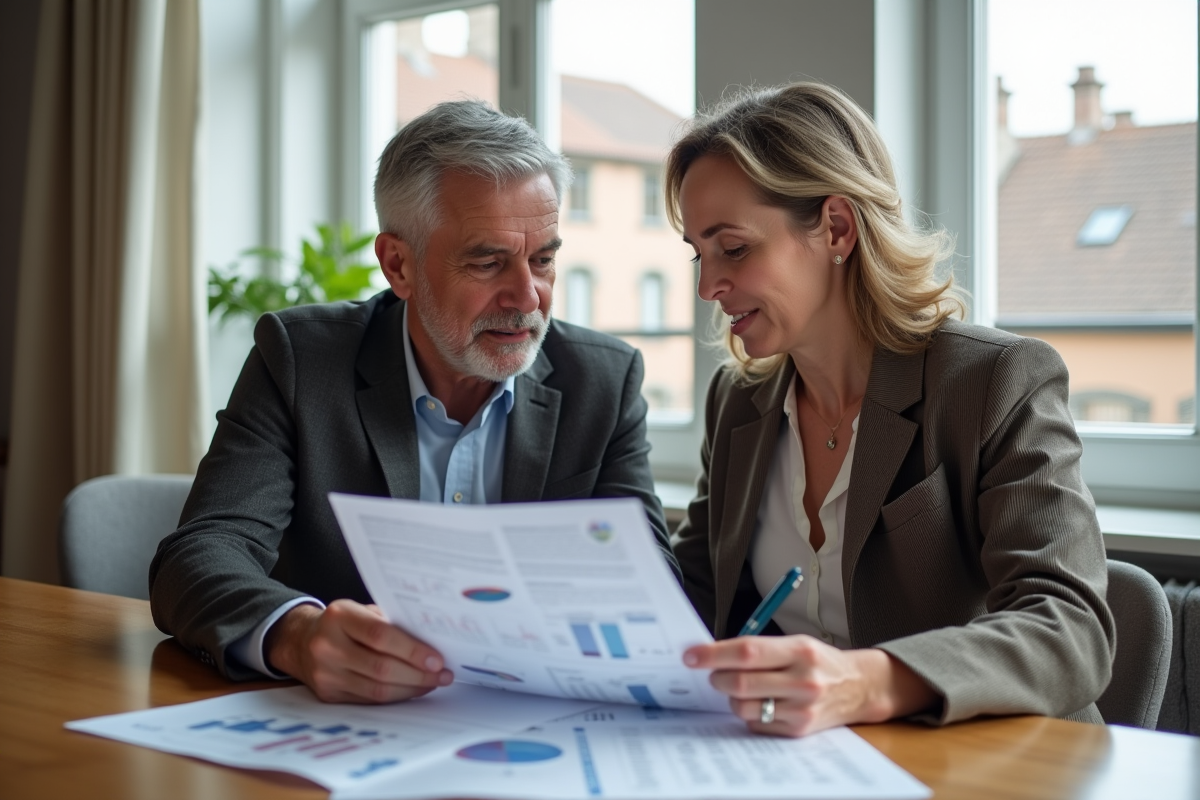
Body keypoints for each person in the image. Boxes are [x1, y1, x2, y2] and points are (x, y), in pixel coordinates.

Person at [150, 100, 677, 704]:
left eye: (543, 260)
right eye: (488, 262)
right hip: (348, 723)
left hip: (531, 719)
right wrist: (298, 636)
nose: (528, 296)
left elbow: (653, 586)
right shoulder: (302, 360)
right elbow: (199, 555)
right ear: (398, 265)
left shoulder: (601, 381)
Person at [666, 83, 1114, 737]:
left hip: (986, 760)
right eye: (698, 255)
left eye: (733, 249)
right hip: (804, 761)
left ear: (837, 228)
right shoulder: (737, 403)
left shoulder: (993, 381)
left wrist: (863, 682)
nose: (708, 286)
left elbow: (1070, 629)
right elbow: (693, 594)